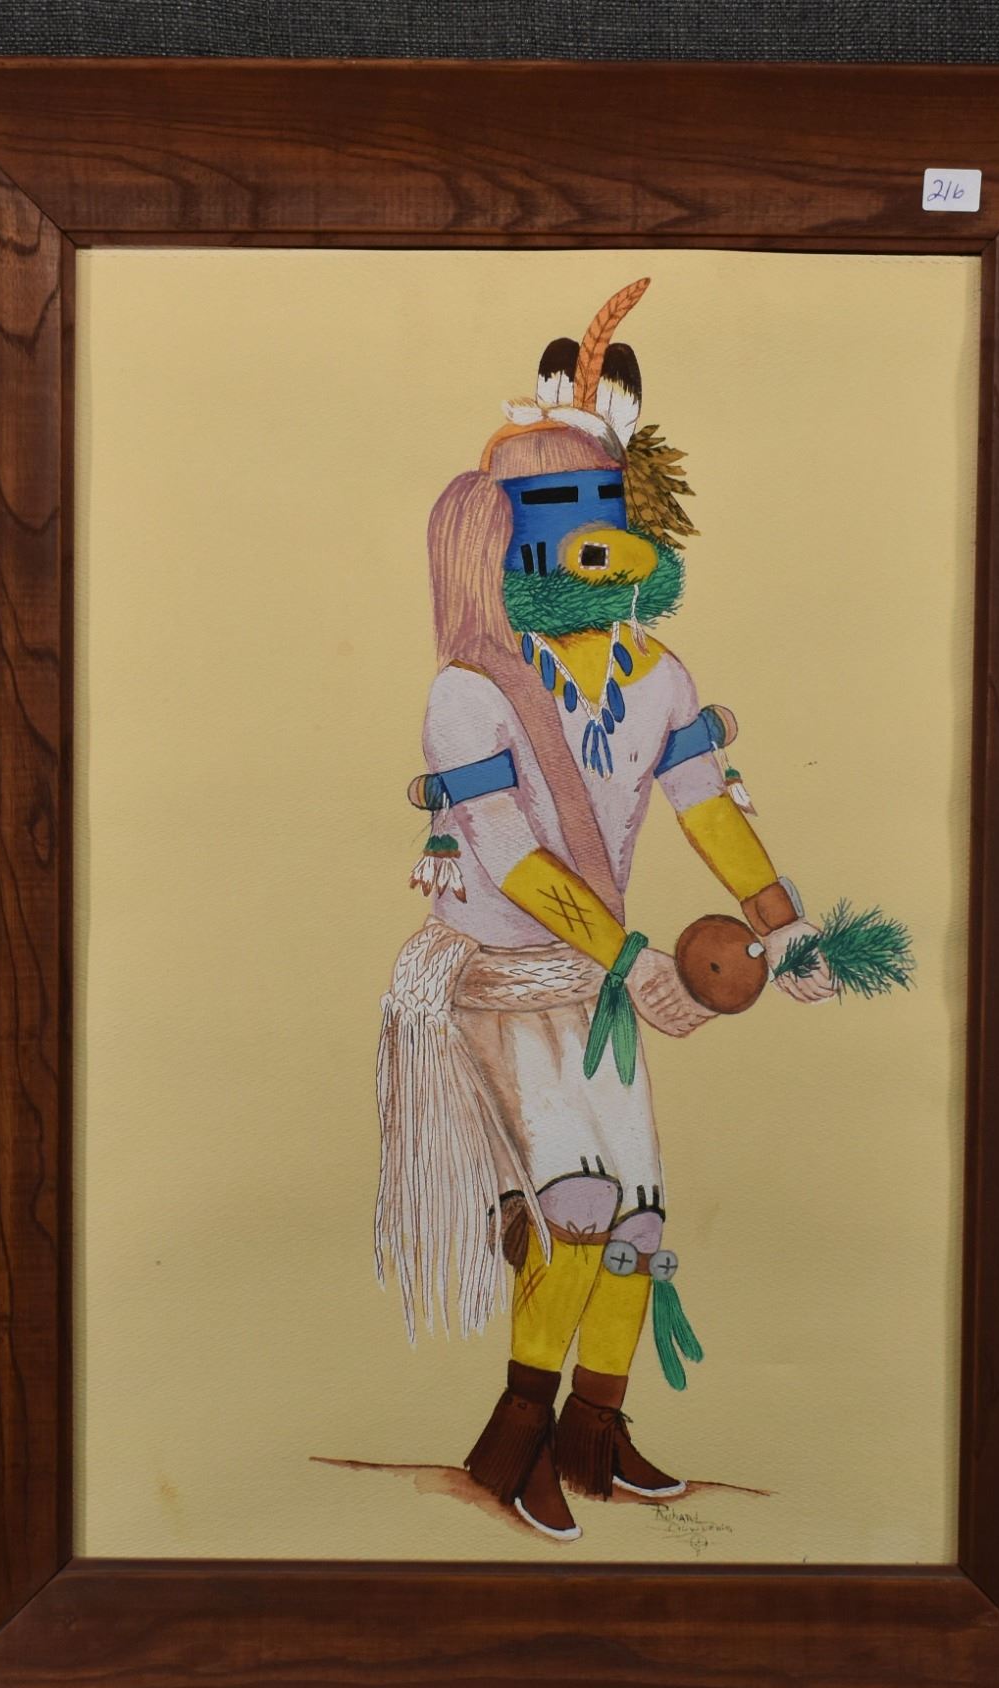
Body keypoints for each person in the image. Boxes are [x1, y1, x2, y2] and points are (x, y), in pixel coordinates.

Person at [375, 279, 834, 1542]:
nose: (594, 542)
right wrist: (632, 957)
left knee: (635, 1222)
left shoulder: (658, 675)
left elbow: (703, 803)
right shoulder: (469, 692)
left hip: (595, 985)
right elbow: (512, 856)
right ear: (499, 537)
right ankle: (512, 1440)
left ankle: (595, 1433)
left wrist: (778, 916)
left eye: (606, 511)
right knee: (574, 1211)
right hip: (502, 980)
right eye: (561, 514)